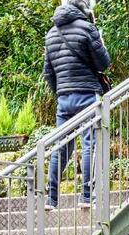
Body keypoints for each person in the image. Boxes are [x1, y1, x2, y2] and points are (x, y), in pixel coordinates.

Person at [43, 0, 111, 209]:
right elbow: (103, 63)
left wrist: (61, 91)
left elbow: (48, 72)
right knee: (90, 143)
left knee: (60, 146)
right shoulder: (87, 28)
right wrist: (98, 37)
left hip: (64, 98)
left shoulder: (51, 34)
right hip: (87, 95)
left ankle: (51, 199)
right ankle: (86, 197)